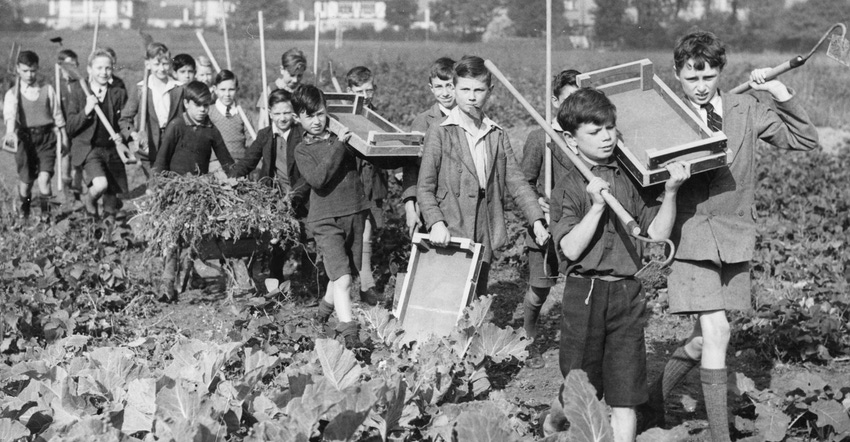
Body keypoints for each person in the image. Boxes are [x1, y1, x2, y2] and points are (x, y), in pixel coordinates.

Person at [641, 31, 819, 442]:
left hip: (736, 235)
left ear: (721, 72)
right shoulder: (664, 117)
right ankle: (721, 437)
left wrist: (778, 91)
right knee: (719, 331)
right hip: (690, 237)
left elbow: (805, 140)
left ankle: (651, 401)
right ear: (677, 74)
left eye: (708, 76)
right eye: (691, 78)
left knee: (704, 340)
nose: (700, 87)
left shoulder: (747, 108)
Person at [548, 88, 690, 442]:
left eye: (610, 127)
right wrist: (596, 207)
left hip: (627, 294)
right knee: (580, 390)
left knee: (625, 394)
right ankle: (552, 425)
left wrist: (671, 192)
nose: (607, 136)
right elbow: (571, 248)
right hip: (585, 295)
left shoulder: (632, 181)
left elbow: (655, 234)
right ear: (571, 139)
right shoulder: (568, 188)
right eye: (594, 132)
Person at [417, 55, 549, 297]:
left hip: (484, 228)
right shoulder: (440, 131)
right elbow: (425, 187)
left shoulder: (496, 134)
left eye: (478, 90)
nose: (471, 97)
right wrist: (436, 222)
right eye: (465, 89)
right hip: (451, 227)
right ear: (454, 89)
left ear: (490, 91)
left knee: (476, 297)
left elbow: (518, 183)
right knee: (448, 297)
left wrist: (537, 219)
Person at [292, 84, 370, 350]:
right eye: (309, 116)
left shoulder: (344, 137)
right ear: (298, 118)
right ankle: (350, 335)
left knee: (343, 275)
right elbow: (318, 179)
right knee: (344, 279)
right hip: (325, 218)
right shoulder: (303, 150)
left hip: (354, 210)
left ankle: (321, 315)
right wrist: (340, 144)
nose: (316, 121)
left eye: (320, 114)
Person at [152, 81, 235, 302]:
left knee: (192, 238)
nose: (202, 110)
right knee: (172, 238)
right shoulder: (176, 126)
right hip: (175, 191)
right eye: (197, 105)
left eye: (206, 106)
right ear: (187, 103)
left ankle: (182, 283)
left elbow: (227, 161)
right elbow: (161, 161)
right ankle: (167, 283)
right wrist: (160, 189)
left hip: (198, 192)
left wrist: (238, 178)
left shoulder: (210, 130)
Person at [520, 69, 581, 369]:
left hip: (579, 227)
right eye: (569, 100)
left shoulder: (588, 139)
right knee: (539, 289)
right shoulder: (540, 137)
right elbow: (523, 184)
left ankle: (577, 346)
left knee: (579, 289)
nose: (575, 107)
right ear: (555, 101)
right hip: (544, 227)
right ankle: (528, 339)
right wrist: (538, 212)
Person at [228, 88, 310, 284]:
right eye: (278, 113)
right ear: (270, 114)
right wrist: (231, 178)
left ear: (294, 113)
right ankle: (275, 279)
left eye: (287, 112)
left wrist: (292, 196)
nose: (282, 118)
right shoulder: (265, 135)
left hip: (302, 194)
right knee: (276, 240)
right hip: (276, 196)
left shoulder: (302, 134)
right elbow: (249, 161)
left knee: (307, 238)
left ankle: (308, 281)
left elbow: (308, 174)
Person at [65, 48, 129, 229]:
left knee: (111, 200)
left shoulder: (118, 92)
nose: (104, 72)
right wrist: (86, 109)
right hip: (90, 149)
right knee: (100, 185)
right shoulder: (78, 92)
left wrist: (123, 134)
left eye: (108, 68)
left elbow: (127, 121)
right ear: (89, 69)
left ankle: (106, 237)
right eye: (99, 68)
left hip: (112, 150)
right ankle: (89, 202)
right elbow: (70, 127)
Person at [3, 50, 68, 221]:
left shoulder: (47, 90)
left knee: (44, 180)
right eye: (25, 71)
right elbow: (10, 117)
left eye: (32, 71)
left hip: (46, 139)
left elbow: (57, 115)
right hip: (25, 140)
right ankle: (25, 210)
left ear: (37, 68)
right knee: (26, 183)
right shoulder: (12, 94)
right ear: (18, 69)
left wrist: (64, 137)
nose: (29, 75)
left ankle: (48, 216)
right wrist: (10, 133)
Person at [345, 66, 386, 305]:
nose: (365, 95)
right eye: (359, 91)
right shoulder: (344, 114)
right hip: (353, 179)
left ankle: (366, 284)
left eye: (369, 90)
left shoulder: (375, 113)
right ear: (349, 90)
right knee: (354, 231)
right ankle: (352, 283)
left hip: (372, 179)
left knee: (368, 228)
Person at [402, 56, 456, 237]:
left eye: (450, 85)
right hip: (430, 203)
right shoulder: (422, 121)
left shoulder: (470, 119)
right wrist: (410, 206)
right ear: (431, 88)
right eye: (439, 87)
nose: (445, 93)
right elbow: (410, 167)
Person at [120, 42, 185, 178]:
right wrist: (134, 134)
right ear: (147, 64)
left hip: (174, 144)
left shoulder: (179, 88)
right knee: (154, 184)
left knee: (173, 183)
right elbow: (124, 120)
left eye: (165, 64)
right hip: (149, 145)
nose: (161, 68)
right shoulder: (140, 89)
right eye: (157, 64)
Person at [208, 70, 252, 170]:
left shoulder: (243, 113)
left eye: (231, 89)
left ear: (237, 89)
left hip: (239, 162)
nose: (227, 94)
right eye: (223, 89)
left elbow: (250, 141)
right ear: (215, 89)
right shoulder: (210, 112)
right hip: (216, 163)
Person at [257, 48, 306, 130]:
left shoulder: (303, 91)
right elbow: (262, 121)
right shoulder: (270, 90)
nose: (295, 80)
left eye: (299, 75)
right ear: (282, 70)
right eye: (292, 75)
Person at [56, 49, 82, 203]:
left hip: (79, 129)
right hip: (63, 130)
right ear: (61, 67)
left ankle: (77, 193)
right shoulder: (56, 86)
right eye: (70, 64)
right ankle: (67, 193)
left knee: (78, 164)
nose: (74, 67)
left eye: (75, 64)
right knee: (66, 160)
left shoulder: (80, 84)